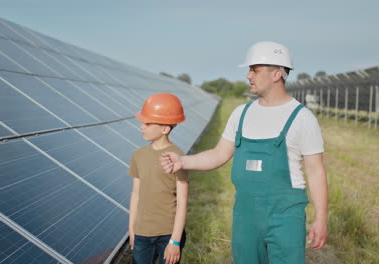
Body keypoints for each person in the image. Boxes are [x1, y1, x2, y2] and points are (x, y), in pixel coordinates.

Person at [160, 41, 328, 264]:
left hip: (285, 216)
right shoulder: (241, 113)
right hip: (245, 216)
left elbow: (316, 171)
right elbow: (219, 154)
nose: (248, 75)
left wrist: (321, 218)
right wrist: (183, 161)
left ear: (277, 73)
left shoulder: (302, 118)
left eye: (255, 70)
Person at [129, 93, 189, 264]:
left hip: (168, 235)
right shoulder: (137, 155)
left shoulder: (178, 158)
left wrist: (175, 241)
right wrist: (132, 230)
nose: (142, 127)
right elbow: (135, 194)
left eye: (147, 123)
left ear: (165, 129)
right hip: (142, 232)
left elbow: (182, 201)